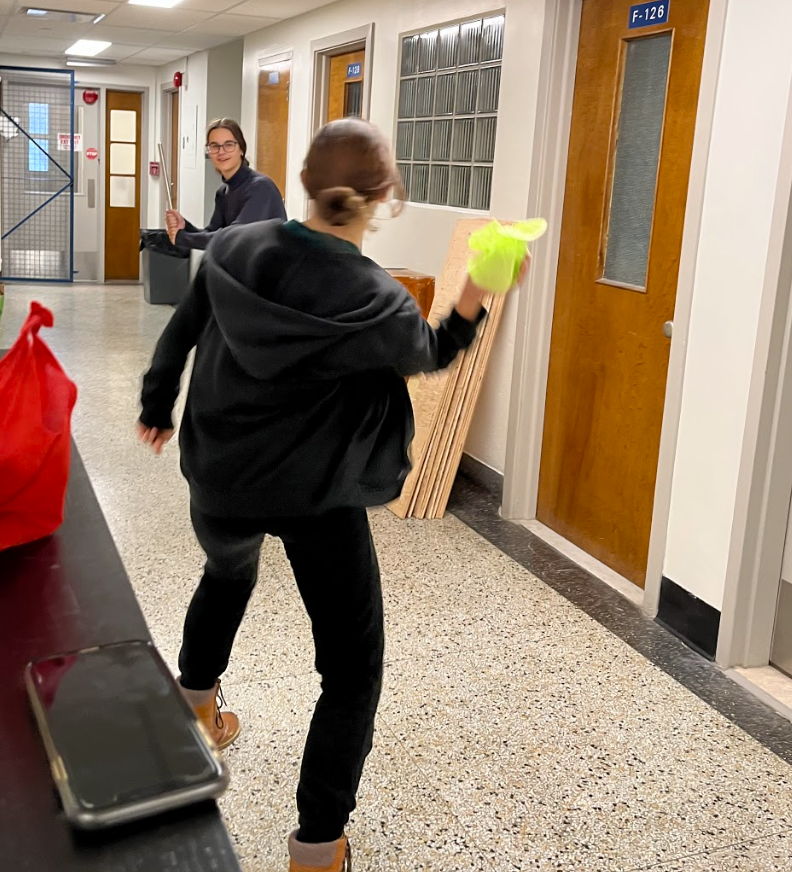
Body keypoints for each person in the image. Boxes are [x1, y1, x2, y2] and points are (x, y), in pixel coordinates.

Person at [138, 119, 528, 872]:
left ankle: (196, 712)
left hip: (222, 478)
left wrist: (158, 404)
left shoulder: (233, 250)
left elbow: (183, 331)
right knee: (350, 672)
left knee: (226, 573)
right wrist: (481, 284)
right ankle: (317, 849)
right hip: (320, 496)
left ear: (306, 184)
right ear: (384, 199)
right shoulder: (376, 299)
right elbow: (436, 349)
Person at [166, 118, 286, 249]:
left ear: (241, 149)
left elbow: (233, 238)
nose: (221, 152)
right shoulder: (223, 193)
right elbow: (211, 233)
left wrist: (183, 238)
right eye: (214, 146)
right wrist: (185, 227)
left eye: (229, 144)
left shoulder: (260, 188)